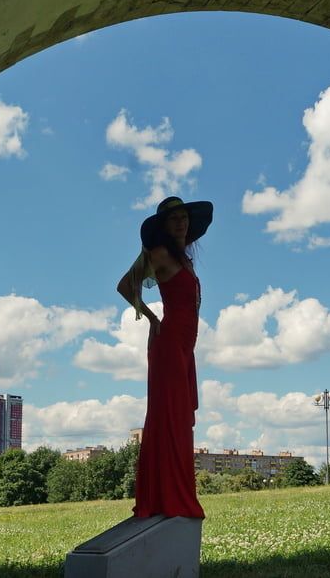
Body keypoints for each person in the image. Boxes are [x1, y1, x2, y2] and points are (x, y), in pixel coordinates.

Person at [117, 195, 212, 519]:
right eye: (173, 219)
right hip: (169, 344)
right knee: (168, 419)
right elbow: (125, 286)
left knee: (178, 419)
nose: (181, 222)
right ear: (163, 226)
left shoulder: (184, 260)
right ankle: (168, 499)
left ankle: (169, 495)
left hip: (185, 348)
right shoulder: (157, 253)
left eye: (183, 217)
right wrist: (151, 317)